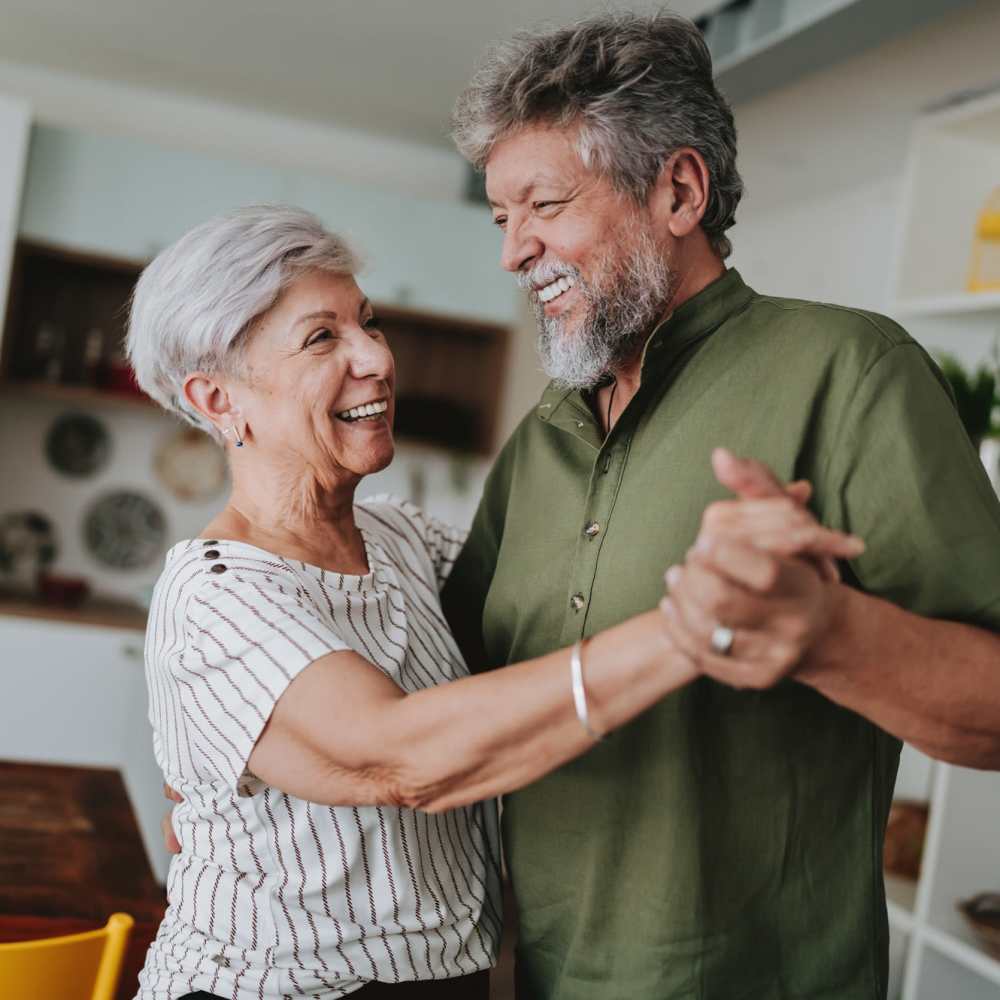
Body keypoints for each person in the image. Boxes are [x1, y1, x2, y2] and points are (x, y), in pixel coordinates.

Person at [128, 205, 856, 999]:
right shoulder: (214, 593)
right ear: (219, 398)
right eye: (321, 338)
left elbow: (561, 612)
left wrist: (742, 558)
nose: (376, 357)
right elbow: (400, 756)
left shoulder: (403, 540)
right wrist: (688, 627)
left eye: (368, 323)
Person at [445, 9, 1000, 999]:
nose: (513, 252)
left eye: (545, 206)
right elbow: (455, 698)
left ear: (679, 190)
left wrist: (829, 631)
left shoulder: (850, 371)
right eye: (500, 218)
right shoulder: (542, 436)